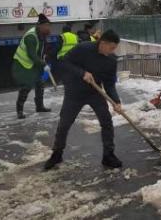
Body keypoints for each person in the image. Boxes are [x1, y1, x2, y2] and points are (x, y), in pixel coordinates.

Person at [44, 29, 123, 170]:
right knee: (64, 123)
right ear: (103, 43)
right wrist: (82, 73)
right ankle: (57, 154)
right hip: (74, 92)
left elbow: (110, 84)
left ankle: (108, 155)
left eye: (114, 48)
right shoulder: (83, 48)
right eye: (111, 48)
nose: (112, 51)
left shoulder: (111, 60)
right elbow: (64, 63)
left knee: (106, 122)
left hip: (95, 93)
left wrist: (116, 101)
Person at [13, 14, 52, 119]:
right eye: (46, 26)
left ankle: (39, 106)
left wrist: (45, 58)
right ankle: (19, 110)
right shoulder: (31, 37)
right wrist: (43, 64)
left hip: (35, 63)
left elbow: (42, 50)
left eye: (49, 26)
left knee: (40, 83)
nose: (48, 28)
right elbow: (32, 55)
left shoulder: (42, 35)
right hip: (24, 64)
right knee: (27, 86)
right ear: (39, 26)